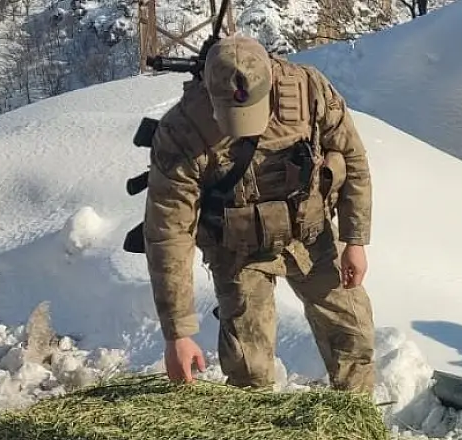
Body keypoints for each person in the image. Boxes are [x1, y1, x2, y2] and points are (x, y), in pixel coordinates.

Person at [141, 34, 375, 393]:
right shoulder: (183, 131)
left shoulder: (308, 89)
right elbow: (168, 232)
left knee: (352, 337)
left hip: (308, 236)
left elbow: (354, 160)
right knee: (248, 367)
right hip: (239, 251)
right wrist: (178, 333)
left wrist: (355, 239)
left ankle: (356, 431)